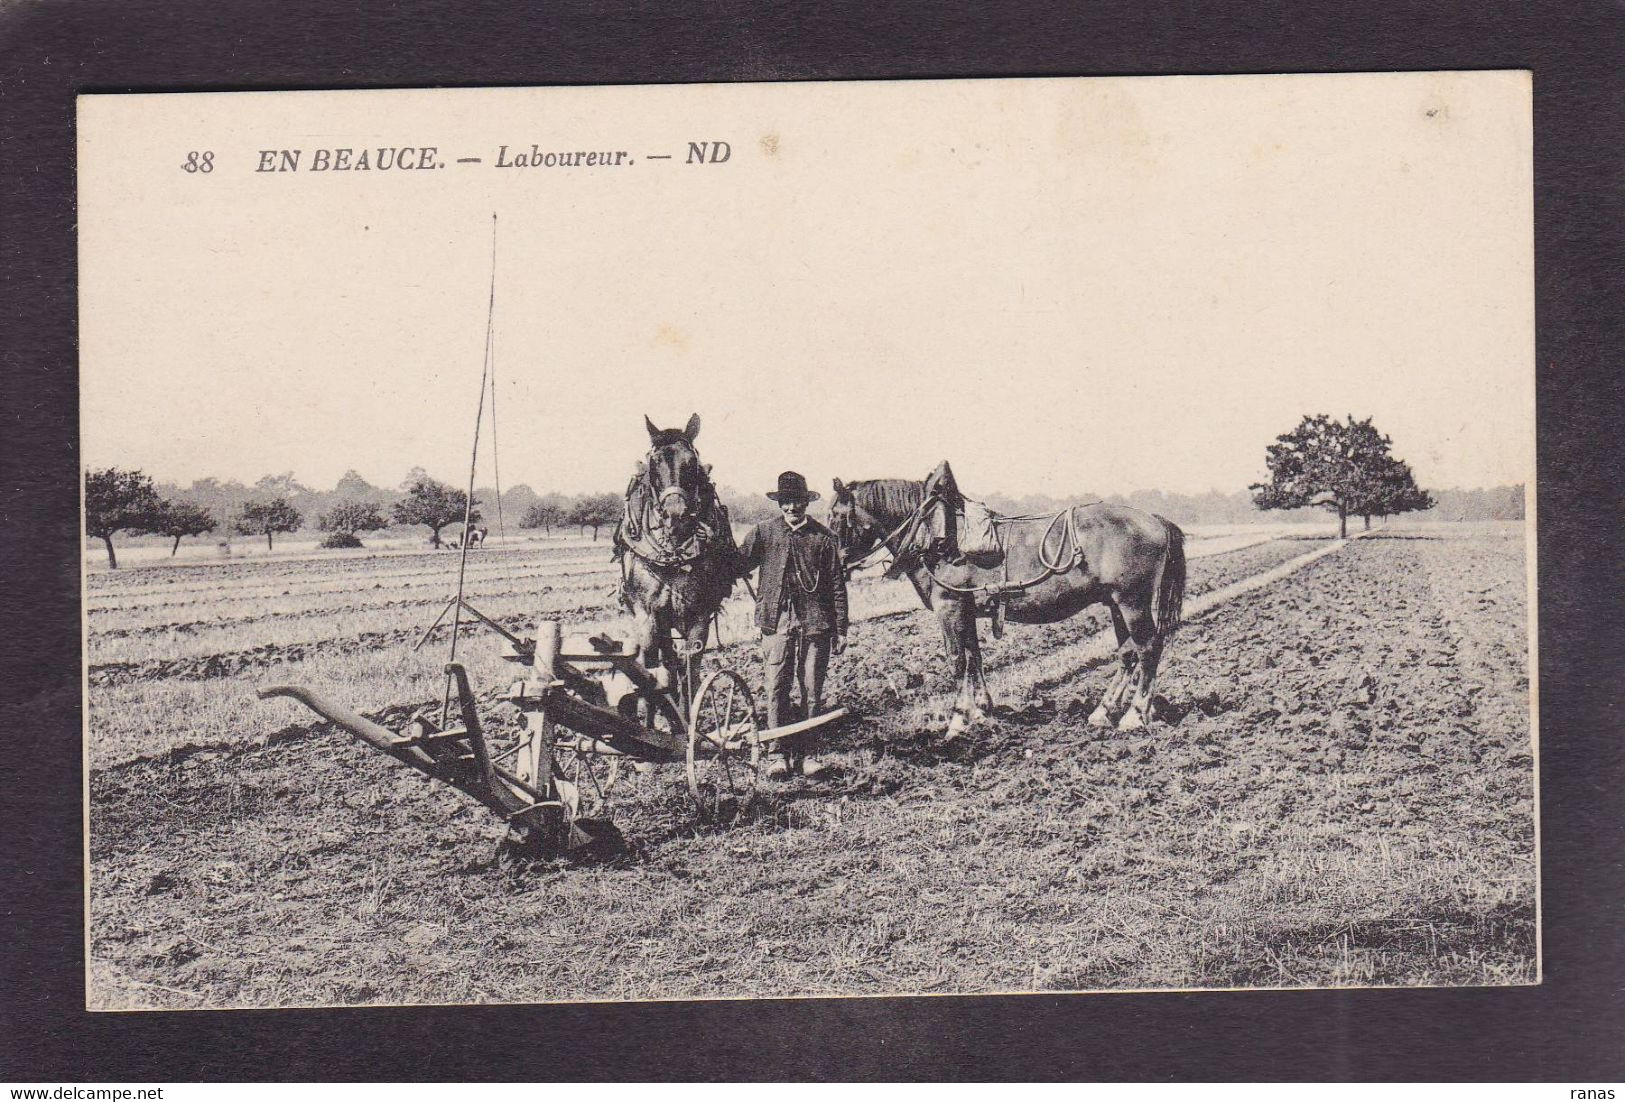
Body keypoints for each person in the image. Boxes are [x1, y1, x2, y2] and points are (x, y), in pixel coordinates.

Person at [736, 470, 848, 778]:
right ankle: (777, 753)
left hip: (816, 623)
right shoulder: (763, 533)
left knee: (812, 688)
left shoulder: (823, 538)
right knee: (776, 687)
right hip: (776, 623)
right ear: (779, 503)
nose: (791, 508)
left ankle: (809, 753)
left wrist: (842, 629)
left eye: (797, 502)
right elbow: (737, 565)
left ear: (806, 503)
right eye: (786, 502)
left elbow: (837, 585)